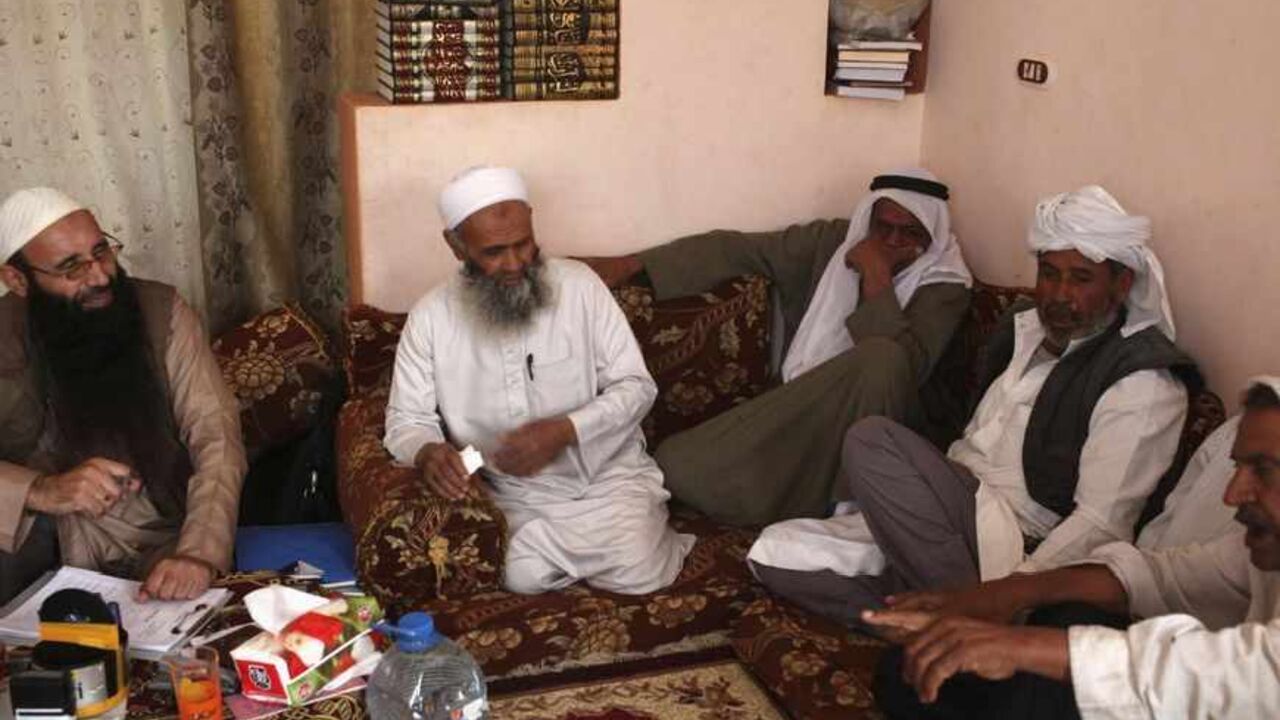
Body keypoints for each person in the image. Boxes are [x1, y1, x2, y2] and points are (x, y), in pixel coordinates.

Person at [749, 185, 1202, 626]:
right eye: (1049, 273)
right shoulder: (1022, 328)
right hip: (944, 515)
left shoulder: (1142, 380)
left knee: (871, 440)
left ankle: (969, 615)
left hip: (1014, 542)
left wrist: (1012, 591)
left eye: (1081, 279)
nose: (1059, 294)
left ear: (1121, 284)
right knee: (774, 551)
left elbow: (1101, 523)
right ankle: (933, 617)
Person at [862, 378, 1280, 720]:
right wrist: (1001, 595)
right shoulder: (1261, 554)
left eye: (1263, 470)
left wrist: (1015, 646)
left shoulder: (1144, 381)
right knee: (914, 667)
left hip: (1190, 685)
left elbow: (1235, 675)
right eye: (1238, 468)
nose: (1232, 495)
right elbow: (1162, 576)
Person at [581, 169, 973, 526]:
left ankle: (849, 505)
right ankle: (806, 504)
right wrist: (633, 264)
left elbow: (904, 370)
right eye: (883, 227)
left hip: (886, 431)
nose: (892, 241)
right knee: (676, 465)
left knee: (882, 358)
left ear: (932, 235)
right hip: (800, 409)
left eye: (910, 232)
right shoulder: (833, 244)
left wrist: (876, 274)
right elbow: (738, 249)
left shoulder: (945, 285)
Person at [383, 166, 694, 595]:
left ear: (531, 223)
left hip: (607, 479)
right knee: (521, 576)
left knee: (641, 573)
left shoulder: (580, 287)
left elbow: (637, 387)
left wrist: (567, 430)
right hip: (516, 495)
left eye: (523, 244)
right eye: (494, 252)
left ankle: (630, 545)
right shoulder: (430, 318)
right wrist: (426, 452)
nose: (514, 264)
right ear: (456, 246)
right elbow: (407, 419)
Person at [0, 187, 246, 603]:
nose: (99, 276)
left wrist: (198, 554)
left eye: (102, 252)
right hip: (28, 545)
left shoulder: (161, 311)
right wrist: (41, 490)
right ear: (18, 279)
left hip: (156, 540)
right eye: (71, 268)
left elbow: (216, 436)